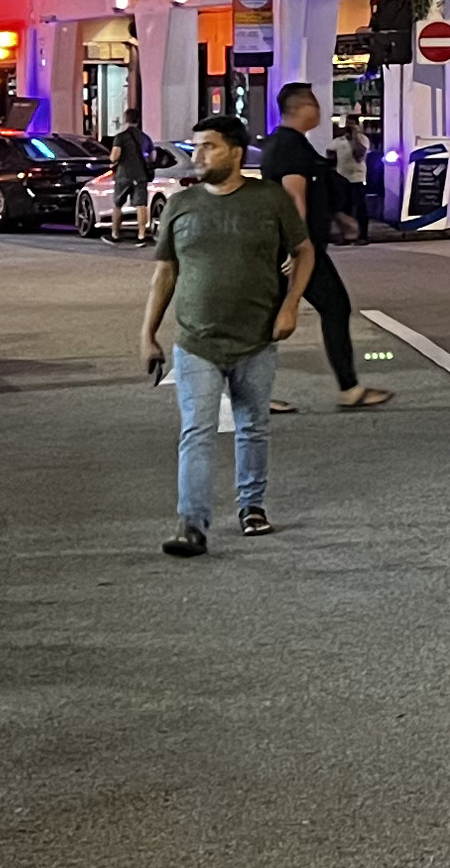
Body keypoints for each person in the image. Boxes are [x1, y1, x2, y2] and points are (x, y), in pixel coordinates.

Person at [139, 113, 311, 556]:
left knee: (253, 425)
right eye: (196, 147)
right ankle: (191, 523)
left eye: (209, 147)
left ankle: (252, 505)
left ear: (235, 152)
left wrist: (291, 306)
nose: (198, 156)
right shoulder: (181, 205)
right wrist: (148, 334)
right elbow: (165, 272)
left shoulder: (268, 200)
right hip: (196, 341)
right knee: (197, 429)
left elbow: (304, 251)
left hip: (256, 337)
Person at [260, 80, 387, 414]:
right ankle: (345, 388)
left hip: (302, 247)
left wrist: (337, 216)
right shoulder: (289, 148)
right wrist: (295, 247)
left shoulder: (290, 144)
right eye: (314, 103)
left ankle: (348, 387)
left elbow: (314, 190)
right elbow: (293, 198)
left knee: (285, 314)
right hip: (299, 249)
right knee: (313, 310)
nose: (318, 109)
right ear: (302, 108)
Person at [108, 115, 155, 242]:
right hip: (141, 175)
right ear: (138, 120)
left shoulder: (121, 137)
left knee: (118, 204)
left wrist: (113, 159)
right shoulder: (146, 138)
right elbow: (152, 157)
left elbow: (114, 156)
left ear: (125, 120)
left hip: (124, 175)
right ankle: (141, 235)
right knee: (141, 205)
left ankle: (115, 234)